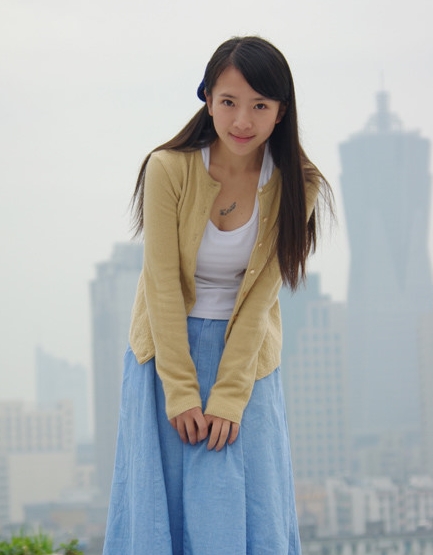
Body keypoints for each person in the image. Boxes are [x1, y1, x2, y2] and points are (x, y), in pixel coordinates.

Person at [103, 36, 332, 555]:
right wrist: (181, 391)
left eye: (260, 106)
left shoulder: (299, 184)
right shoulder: (168, 168)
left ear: (281, 111)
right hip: (165, 358)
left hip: (245, 363)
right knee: (157, 514)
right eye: (228, 101)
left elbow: (260, 300)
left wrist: (229, 397)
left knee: (249, 510)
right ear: (207, 99)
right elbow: (161, 285)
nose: (242, 120)